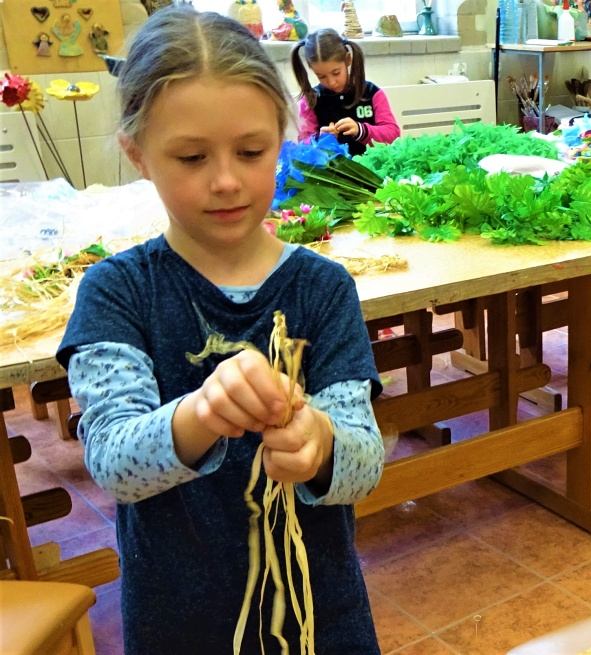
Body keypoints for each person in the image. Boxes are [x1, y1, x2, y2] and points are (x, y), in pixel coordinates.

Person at [56, 6, 384, 654]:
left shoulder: (323, 288)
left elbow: (365, 460)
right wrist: (202, 411)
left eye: (251, 151)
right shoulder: (120, 292)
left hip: (323, 618)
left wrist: (320, 442)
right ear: (138, 154)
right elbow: (115, 460)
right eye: (192, 156)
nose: (227, 179)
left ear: (282, 140)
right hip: (182, 624)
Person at [291, 28, 399, 156]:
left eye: (336, 73)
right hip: (332, 172)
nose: (331, 82)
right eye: (321, 76)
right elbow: (302, 146)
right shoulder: (310, 101)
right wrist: (321, 140)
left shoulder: (372, 93)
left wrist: (361, 130)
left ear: (348, 60)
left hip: (373, 169)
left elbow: (393, 135)